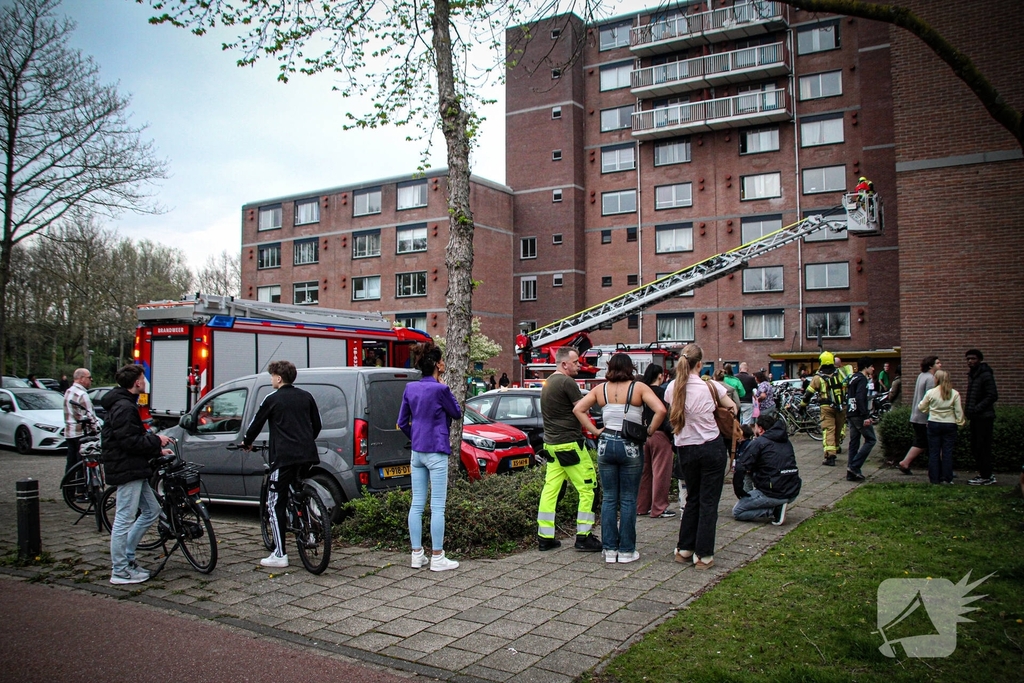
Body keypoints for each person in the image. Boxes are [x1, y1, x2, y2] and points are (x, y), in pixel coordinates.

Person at [573, 355, 665, 564]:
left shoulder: (600, 389)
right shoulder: (639, 388)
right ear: (630, 368)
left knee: (609, 498)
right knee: (628, 499)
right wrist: (649, 430)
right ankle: (626, 550)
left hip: (606, 444)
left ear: (610, 368)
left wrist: (595, 431)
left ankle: (609, 549)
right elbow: (661, 410)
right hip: (630, 445)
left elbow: (578, 409)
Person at [242, 360, 323, 569]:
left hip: (283, 458)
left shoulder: (272, 399)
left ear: (278, 378)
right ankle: (311, 534)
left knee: (274, 502)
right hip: (307, 455)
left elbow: (256, 424)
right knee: (299, 492)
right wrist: (305, 440)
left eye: (272, 376)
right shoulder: (307, 396)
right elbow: (317, 425)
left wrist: (247, 442)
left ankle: (279, 553)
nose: (271, 379)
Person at [664, 343, 737, 571]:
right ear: (700, 364)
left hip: (686, 448)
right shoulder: (711, 387)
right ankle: (703, 555)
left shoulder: (672, 388)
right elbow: (733, 407)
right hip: (710, 446)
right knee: (709, 502)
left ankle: (684, 548)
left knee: (692, 498)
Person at [103, 364, 174, 585]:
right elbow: (129, 441)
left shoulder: (123, 404)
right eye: (144, 378)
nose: (145, 382)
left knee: (152, 510)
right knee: (124, 518)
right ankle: (120, 570)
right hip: (127, 469)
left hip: (134, 467)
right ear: (137, 383)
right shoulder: (125, 407)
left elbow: (130, 438)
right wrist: (157, 440)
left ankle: (128, 558)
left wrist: (156, 449)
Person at [397, 342, 462, 571]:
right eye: (441, 360)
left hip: (417, 451)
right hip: (436, 450)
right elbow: (456, 413)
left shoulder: (410, 388)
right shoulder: (440, 389)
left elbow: (402, 422)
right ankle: (437, 557)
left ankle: (417, 554)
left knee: (416, 504)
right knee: (437, 507)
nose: (444, 363)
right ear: (436, 364)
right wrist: (445, 387)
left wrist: (414, 436)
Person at [536, 347, 601, 552]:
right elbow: (581, 409)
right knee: (588, 488)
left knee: (550, 490)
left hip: (552, 445)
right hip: (570, 445)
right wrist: (595, 430)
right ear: (564, 364)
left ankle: (544, 537)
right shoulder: (566, 382)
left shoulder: (548, 384)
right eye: (575, 362)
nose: (579, 365)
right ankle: (584, 536)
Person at [732, 414, 801, 525]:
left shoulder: (759, 443)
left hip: (773, 492)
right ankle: (774, 504)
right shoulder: (786, 441)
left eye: (754, 427)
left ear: (760, 429)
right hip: (792, 490)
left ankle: (774, 510)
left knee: (738, 511)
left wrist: (739, 491)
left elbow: (740, 466)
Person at [635, 364, 675, 520]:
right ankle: (659, 508)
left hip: (643, 436)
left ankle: (641, 506)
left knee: (645, 472)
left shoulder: (641, 392)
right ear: (660, 376)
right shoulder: (663, 393)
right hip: (659, 435)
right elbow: (667, 416)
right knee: (661, 472)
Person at [918, 369, 965, 485]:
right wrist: (960, 422)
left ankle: (934, 479)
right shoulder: (954, 393)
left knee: (934, 452)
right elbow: (958, 411)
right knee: (947, 452)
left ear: (937, 379)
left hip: (934, 423)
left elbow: (921, 406)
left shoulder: (931, 392)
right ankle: (947, 478)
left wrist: (928, 411)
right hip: (950, 424)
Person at [895, 356, 941, 475]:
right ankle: (905, 462)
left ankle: (939, 467)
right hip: (923, 417)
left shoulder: (921, 376)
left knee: (922, 441)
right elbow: (931, 399)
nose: (940, 365)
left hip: (916, 415)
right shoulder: (931, 379)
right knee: (924, 442)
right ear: (931, 366)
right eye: (938, 363)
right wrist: (930, 417)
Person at [802, 351, 846, 467]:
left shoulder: (818, 377)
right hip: (841, 406)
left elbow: (808, 394)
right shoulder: (840, 373)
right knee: (838, 427)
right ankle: (836, 447)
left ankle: (830, 455)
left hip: (826, 407)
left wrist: (802, 405)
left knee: (828, 430)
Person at [63, 368, 98, 501]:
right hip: (81, 433)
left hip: (70, 433)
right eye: (89, 377)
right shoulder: (82, 395)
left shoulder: (68, 391)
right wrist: (96, 429)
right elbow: (90, 415)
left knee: (71, 463)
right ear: (81, 378)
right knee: (82, 464)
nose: (91, 380)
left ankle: (69, 491)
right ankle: (81, 492)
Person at [964, 349, 998, 486]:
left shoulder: (985, 375)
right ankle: (984, 473)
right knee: (976, 446)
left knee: (982, 446)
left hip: (984, 417)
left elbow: (992, 395)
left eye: (973, 358)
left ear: (979, 359)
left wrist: (976, 409)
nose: (970, 361)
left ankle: (986, 475)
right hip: (976, 417)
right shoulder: (973, 375)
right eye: (968, 359)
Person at [844, 358, 877, 482]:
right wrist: (865, 416)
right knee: (871, 439)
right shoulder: (862, 379)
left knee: (854, 442)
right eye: (871, 366)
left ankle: (851, 472)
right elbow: (860, 397)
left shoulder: (853, 378)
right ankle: (855, 466)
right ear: (866, 367)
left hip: (851, 413)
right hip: (858, 414)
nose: (873, 369)